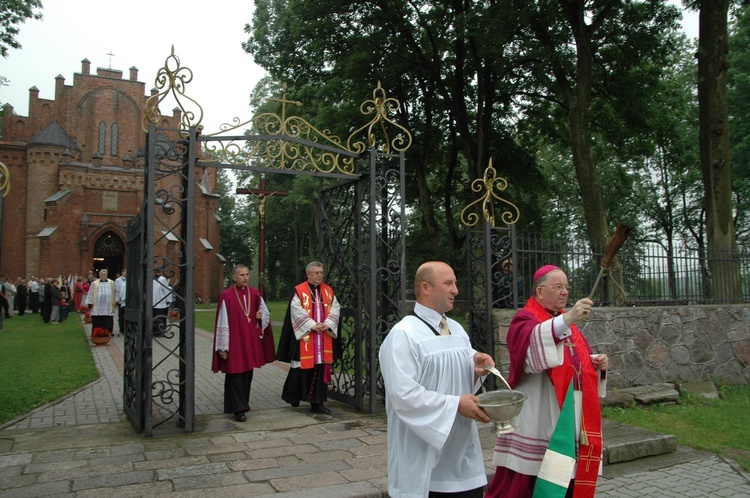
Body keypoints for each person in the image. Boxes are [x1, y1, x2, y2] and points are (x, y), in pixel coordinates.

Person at [485, 265, 609, 498]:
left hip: (565, 412)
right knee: (529, 477)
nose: (565, 292)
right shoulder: (525, 318)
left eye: (567, 287)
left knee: (564, 473)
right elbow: (530, 354)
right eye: (558, 287)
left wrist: (596, 363)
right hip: (538, 411)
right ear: (540, 292)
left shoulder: (561, 319)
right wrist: (569, 317)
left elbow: (572, 359)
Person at [379, 261, 495, 498]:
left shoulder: (456, 329)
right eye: (448, 283)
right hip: (424, 455)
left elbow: (458, 367)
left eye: (455, 283)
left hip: (463, 456)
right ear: (426, 288)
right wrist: (455, 405)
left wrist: (477, 365)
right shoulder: (404, 334)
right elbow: (403, 396)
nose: (456, 290)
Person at [277, 261, 340, 415]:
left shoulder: (328, 291)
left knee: (319, 369)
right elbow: (296, 311)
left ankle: (317, 403)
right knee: (299, 369)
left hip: (322, 337)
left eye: (321, 272)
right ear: (308, 274)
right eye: (316, 272)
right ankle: (294, 396)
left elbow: (335, 309)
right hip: (306, 336)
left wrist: (327, 324)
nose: (320, 275)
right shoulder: (300, 291)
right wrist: (312, 325)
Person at [211, 264, 272, 422]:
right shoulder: (227, 295)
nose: (245, 278)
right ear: (234, 277)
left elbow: (265, 313)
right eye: (241, 275)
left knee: (247, 373)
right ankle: (238, 409)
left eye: (246, 275)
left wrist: (261, 317)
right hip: (234, 341)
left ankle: (241, 404)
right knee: (235, 373)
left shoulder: (255, 293)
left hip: (249, 340)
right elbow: (222, 321)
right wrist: (222, 347)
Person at [85, 269, 116, 334]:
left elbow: (115, 292)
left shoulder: (112, 282)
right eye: (102, 274)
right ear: (99, 275)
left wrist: (116, 300)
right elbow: (90, 293)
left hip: (108, 305)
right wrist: (89, 302)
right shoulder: (94, 283)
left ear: (107, 275)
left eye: (105, 274)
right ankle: (96, 333)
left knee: (107, 319)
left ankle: (108, 332)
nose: (103, 276)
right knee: (97, 320)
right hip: (97, 305)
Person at [152, 268, 171, 337]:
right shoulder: (162, 279)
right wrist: (169, 300)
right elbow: (166, 290)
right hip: (161, 302)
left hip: (153, 302)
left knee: (154, 317)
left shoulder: (151, 279)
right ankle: (159, 331)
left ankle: (154, 330)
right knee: (161, 318)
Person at [115, 269, 127, 335]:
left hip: (128, 300)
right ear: (122, 272)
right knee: (121, 315)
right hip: (120, 300)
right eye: (125, 271)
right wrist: (116, 299)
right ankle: (121, 328)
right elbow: (116, 290)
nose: (126, 273)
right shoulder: (118, 280)